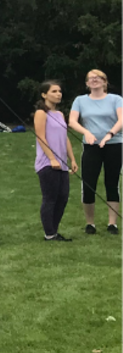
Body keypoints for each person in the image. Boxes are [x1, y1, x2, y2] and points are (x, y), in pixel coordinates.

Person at [69, 69, 123, 235]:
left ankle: (112, 224)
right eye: (91, 78)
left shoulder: (115, 99)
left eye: (98, 78)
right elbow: (72, 121)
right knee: (88, 184)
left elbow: (122, 119)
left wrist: (109, 135)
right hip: (91, 147)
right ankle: (90, 224)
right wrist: (86, 132)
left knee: (112, 183)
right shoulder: (80, 100)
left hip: (114, 144)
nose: (95, 80)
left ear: (105, 82)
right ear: (86, 83)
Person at [33, 81, 77, 241]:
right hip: (47, 163)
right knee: (50, 198)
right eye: (54, 91)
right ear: (44, 95)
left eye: (59, 91)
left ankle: (54, 231)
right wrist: (51, 158)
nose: (58, 94)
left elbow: (64, 138)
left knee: (63, 197)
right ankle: (49, 233)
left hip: (62, 163)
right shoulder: (41, 113)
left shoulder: (59, 115)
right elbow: (40, 137)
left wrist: (72, 159)